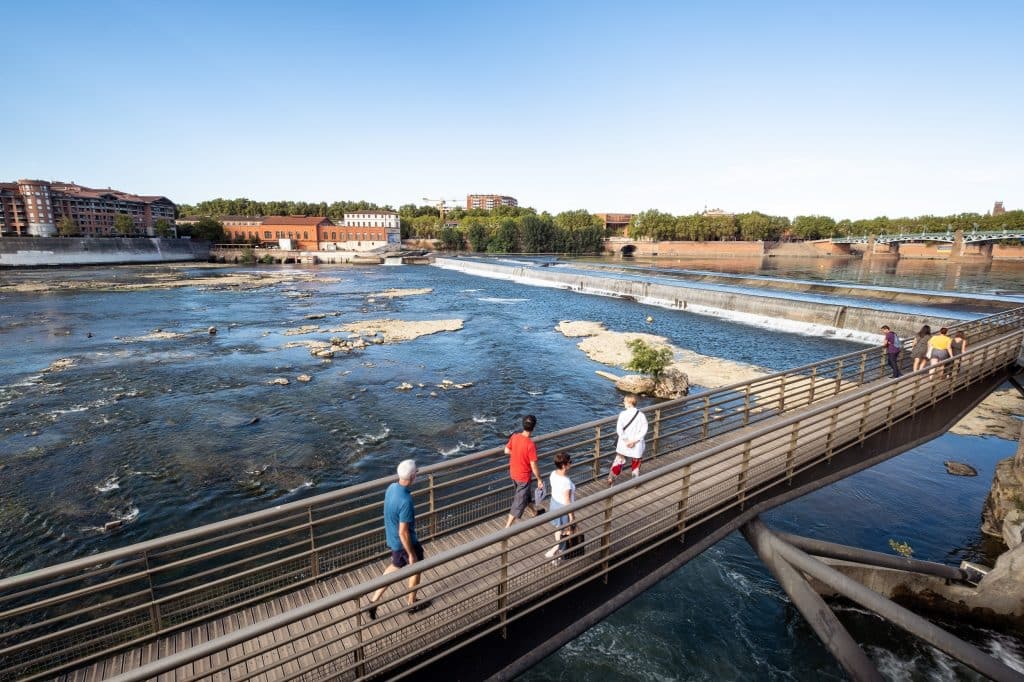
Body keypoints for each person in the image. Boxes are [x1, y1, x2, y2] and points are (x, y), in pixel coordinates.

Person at [367, 459, 430, 619]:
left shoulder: (391, 488)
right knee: (416, 566)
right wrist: (410, 553)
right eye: (416, 472)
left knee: (395, 566)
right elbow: (404, 532)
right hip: (404, 542)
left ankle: (373, 602)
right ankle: (412, 603)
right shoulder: (406, 501)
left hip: (393, 539)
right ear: (413, 477)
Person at [504, 415, 543, 528]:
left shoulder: (515, 436)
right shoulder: (530, 445)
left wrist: (516, 453)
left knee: (525, 496)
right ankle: (506, 530)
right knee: (518, 503)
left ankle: (534, 512)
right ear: (534, 427)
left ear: (523, 424)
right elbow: (534, 466)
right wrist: (539, 479)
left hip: (513, 473)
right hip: (523, 478)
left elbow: (506, 450)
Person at [608, 394, 649, 486]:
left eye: (625, 401)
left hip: (624, 444)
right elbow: (644, 429)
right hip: (637, 444)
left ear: (629, 403)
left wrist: (626, 441)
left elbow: (619, 429)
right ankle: (635, 481)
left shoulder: (623, 414)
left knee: (619, 460)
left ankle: (612, 478)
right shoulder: (641, 415)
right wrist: (634, 441)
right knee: (636, 463)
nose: (624, 403)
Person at [544, 452, 576, 563]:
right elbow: (567, 501)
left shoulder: (553, 474)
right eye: (569, 462)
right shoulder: (566, 482)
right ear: (564, 465)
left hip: (554, 504)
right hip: (563, 508)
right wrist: (572, 516)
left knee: (558, 529)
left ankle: (557, 555)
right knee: (568, 531)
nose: (571, 464)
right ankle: (555, 551)